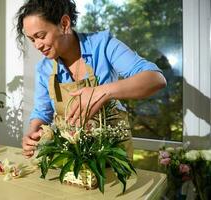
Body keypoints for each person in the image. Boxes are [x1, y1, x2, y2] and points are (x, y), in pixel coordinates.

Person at [16, 0, 167, 158]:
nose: (37, 45)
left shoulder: (103, 45)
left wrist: (102, 92)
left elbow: (155, 78)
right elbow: (42, 111)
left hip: (115, 155)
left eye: (40, 36)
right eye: (32, 39)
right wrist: (33, 132)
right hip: (74, 158)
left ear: (65, 24)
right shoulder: (44, 68)